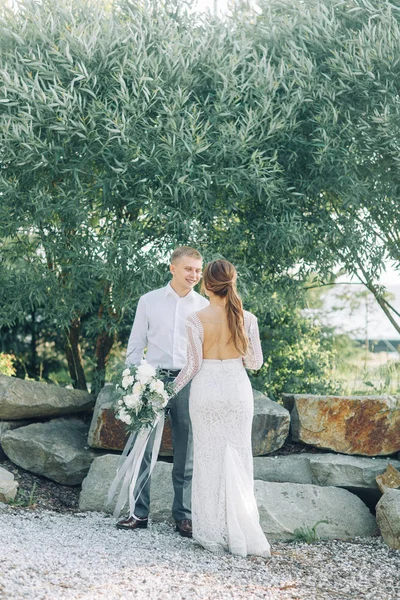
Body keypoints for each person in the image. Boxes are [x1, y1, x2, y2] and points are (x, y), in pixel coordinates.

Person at [173, 259, 271, 557]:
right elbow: (255, 363)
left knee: (207, 460)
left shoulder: (195, 318)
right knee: (238, 458)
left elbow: (191, 367)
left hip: (206, 392)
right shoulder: (247, 318)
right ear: (232, 282)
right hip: (237, 391)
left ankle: (212, 532)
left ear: (206, 285)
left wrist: (165, 393)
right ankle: (240, 530)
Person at [116, 246, 209, 537]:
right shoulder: (149, 301)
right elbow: (136, 343)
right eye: (188, 269)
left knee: (187, 450)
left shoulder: (204, 306)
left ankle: (184, 516)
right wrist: (134, 380)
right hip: (151, 380)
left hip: (188, 379)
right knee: (142, 448)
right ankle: (138, 513)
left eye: (197, 270)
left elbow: (205, 350)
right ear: (172, 268)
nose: (194, 274)